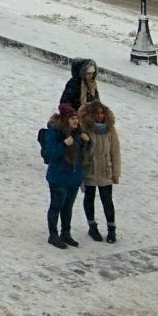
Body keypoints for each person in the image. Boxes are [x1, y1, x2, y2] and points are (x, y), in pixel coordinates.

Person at [42, 104, 89, 247]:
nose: (75, 121)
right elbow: (51, 155)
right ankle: (53, 234)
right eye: (72, 119)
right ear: (65, 120)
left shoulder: (78, 134)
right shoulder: (55, 133)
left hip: (73, 178)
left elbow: (83, 156)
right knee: (56, 206)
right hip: (58, 177)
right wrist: (63, 144)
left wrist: (87, 142)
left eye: (77, 118)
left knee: (68, 207)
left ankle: (66, 233)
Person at [81, 101, 121, 243]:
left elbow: (115, 151)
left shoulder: (110, 129)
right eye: (96, 113)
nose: (100, 116)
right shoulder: (85, 129)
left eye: (101, 112)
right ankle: (92, 226)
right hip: (90, 170)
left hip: (105, 171)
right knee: (89, 198)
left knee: (107, 200)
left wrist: (116, 173)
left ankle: (111, 229)